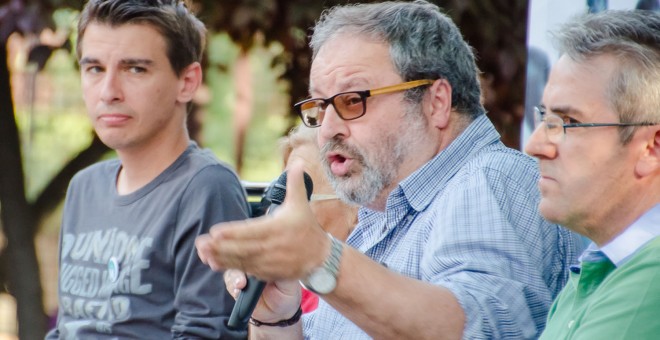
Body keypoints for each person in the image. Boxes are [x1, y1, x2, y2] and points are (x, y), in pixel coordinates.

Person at [196, 1, 582, 338]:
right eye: (320, 106)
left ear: (436, 103)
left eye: (352, 100)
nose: (327, 129)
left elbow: (478, 329)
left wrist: (320, 258)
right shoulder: (378, 216)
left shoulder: (487, 178)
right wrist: (277, 321)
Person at [46, 0, 250, 338]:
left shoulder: (205, 188)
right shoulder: (85, 187)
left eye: (135, 69)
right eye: (94, 68)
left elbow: (205, 334)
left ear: (187, 81)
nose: (108, 92)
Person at [524, 10, 660, 339]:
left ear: (651, 148)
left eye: (567, 123)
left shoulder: (650, 282)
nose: (535, 145)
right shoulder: (601, 265)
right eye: (544, 117)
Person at [280, 124, 359, 313]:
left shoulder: (356, 298)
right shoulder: (287, 286)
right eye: (282, 193)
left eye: (300, 196)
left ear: (356, 208)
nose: (281, 211)